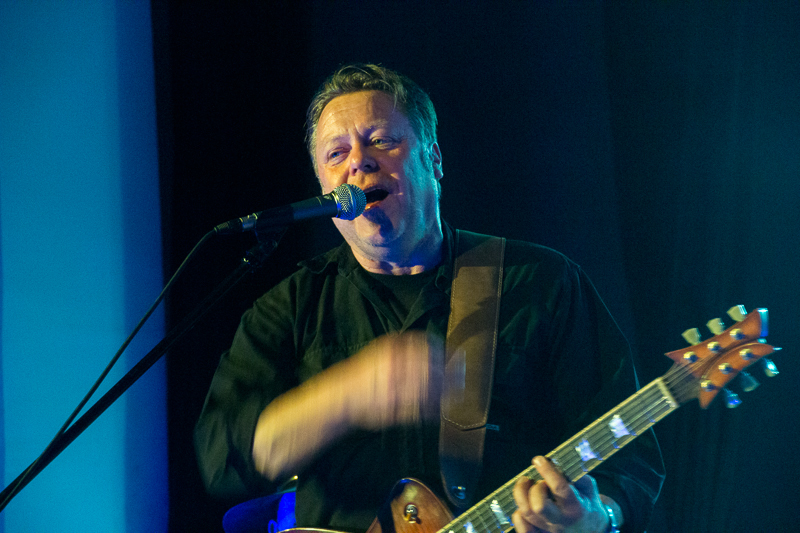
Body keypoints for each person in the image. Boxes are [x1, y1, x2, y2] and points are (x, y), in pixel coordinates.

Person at [195, 63, 664, 533]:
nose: (359, 162)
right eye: (336, 153)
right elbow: (221, 457)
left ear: (434, 160)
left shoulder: (542, 282)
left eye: (381, 140)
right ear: (323, 186)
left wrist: (596, 517)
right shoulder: (290, 307)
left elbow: (632, 460)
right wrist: (344, 396)